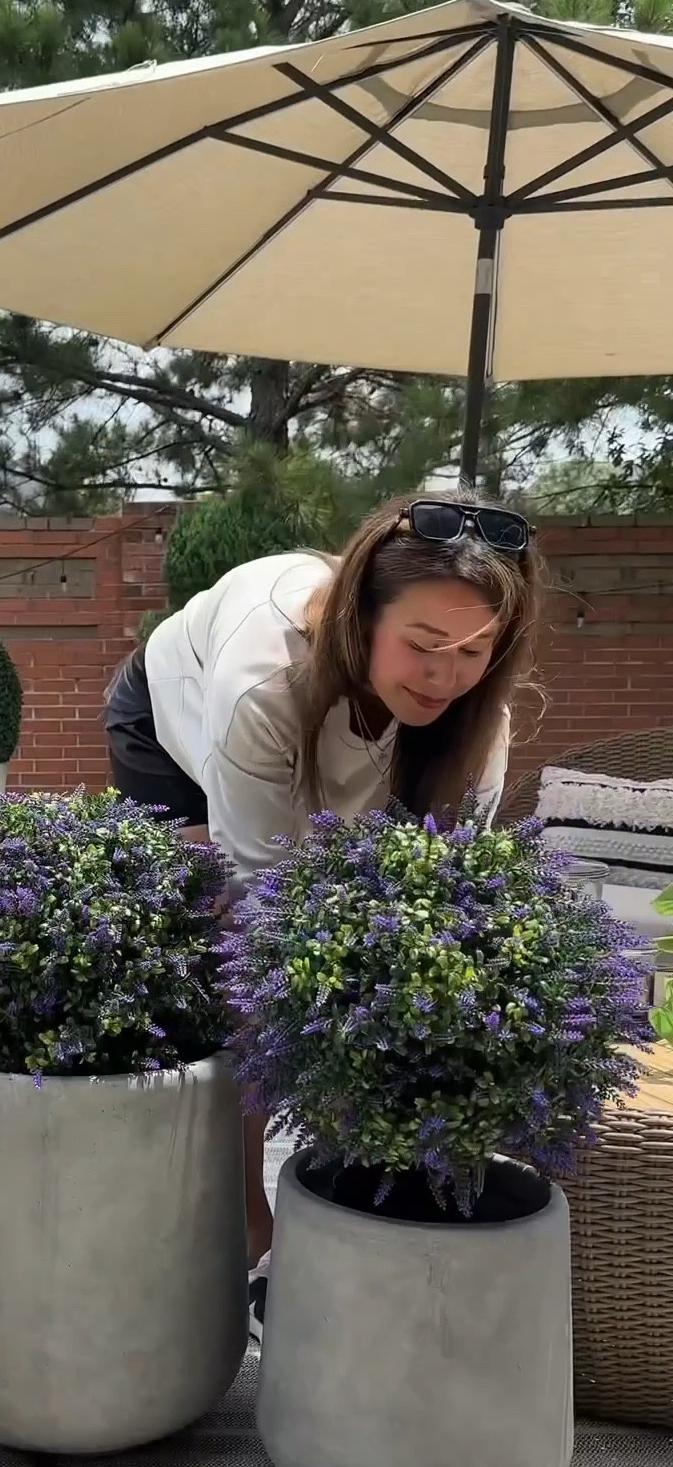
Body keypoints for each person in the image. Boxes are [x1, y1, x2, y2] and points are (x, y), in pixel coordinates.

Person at [103, 490, 543, 1335]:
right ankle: (248, 1233)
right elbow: (266, 905)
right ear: (360, 616)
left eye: (472, 652)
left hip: (342, 741)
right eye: (423, 645)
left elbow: (438, 900)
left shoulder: (473, 720)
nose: (445, 675)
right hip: (177, 728)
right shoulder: (261, 681)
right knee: (232, 967)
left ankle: (355, 1208)